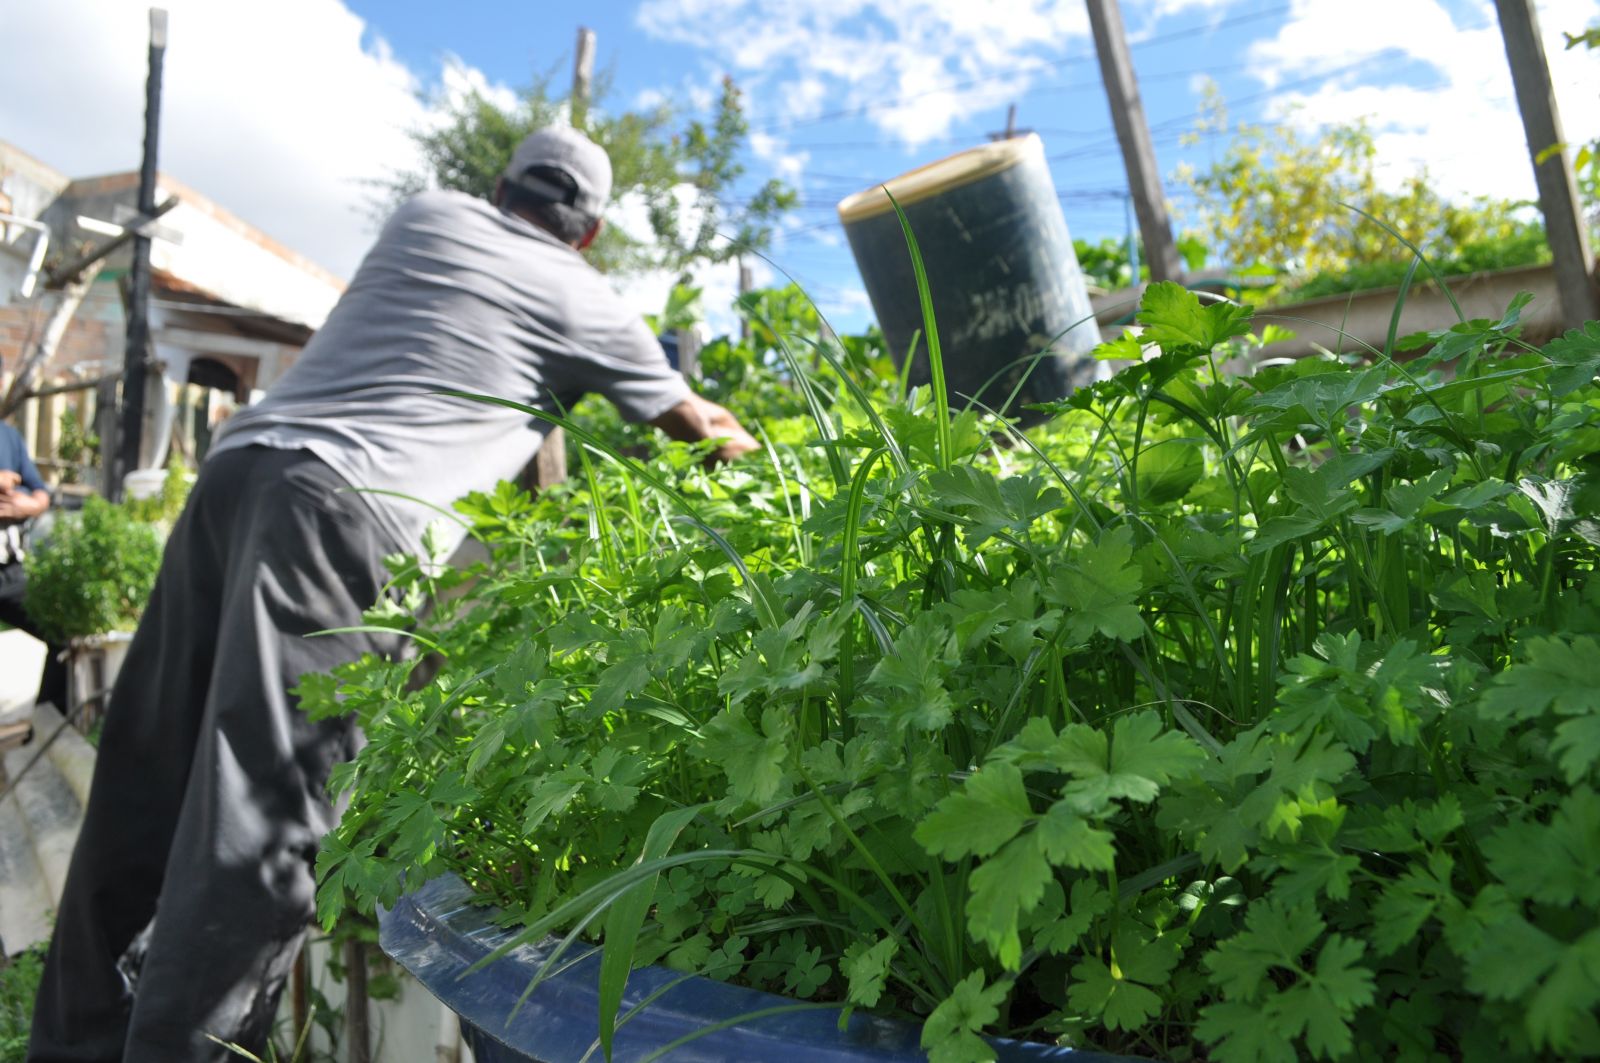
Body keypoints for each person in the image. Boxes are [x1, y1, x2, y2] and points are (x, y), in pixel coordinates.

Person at [29, 126, 759, 1062]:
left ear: (501, 187)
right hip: (342, 516)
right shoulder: (587, 298)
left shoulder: (427, 217)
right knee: (259, 832)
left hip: (237, 474)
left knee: (144, 780)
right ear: (590, 232)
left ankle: (70, 1046)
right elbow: (698, 427)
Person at [0, 421, 67, 720]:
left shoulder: (8, 435)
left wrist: (30, 505)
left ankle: (44, 728)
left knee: (63, 631)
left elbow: (41, 491)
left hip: (9, 570)